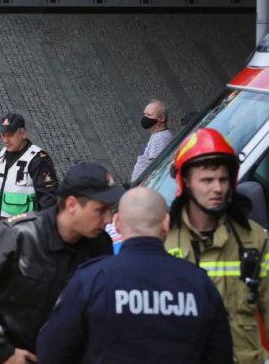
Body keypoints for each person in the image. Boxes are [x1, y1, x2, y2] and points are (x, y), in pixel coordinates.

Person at [0, 163, 122, 364]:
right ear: (72, 205)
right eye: (100, 210)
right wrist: (3, 351)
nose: (108, 219)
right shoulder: (17, 236)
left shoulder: (99, 245)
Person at [37, 187, 233, 363]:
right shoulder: (199, 283)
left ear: (117, 223)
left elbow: (52, 351)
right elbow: (220, 354)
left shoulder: (91, 279)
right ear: (166, 222)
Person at [164, 127, 269, 363]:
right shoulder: (164, 239)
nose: (218, 188)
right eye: (207, 180)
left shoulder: (254, 239)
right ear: (186, 182)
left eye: (223, 179)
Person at [0, 113, 58, 220]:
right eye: (3, 135)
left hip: (27, 229)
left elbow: (49, 199)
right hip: (1, 226)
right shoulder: (1, 155)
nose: (6, 140)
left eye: (10, 135)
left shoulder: (38, 159)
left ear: (24, 134)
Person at [131, 99, 173, 182]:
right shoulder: (158, 136)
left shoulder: (159, 139)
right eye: (145, 114)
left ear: (161, 118)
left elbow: (155, 169)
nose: (145, 118)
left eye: (149, 115)